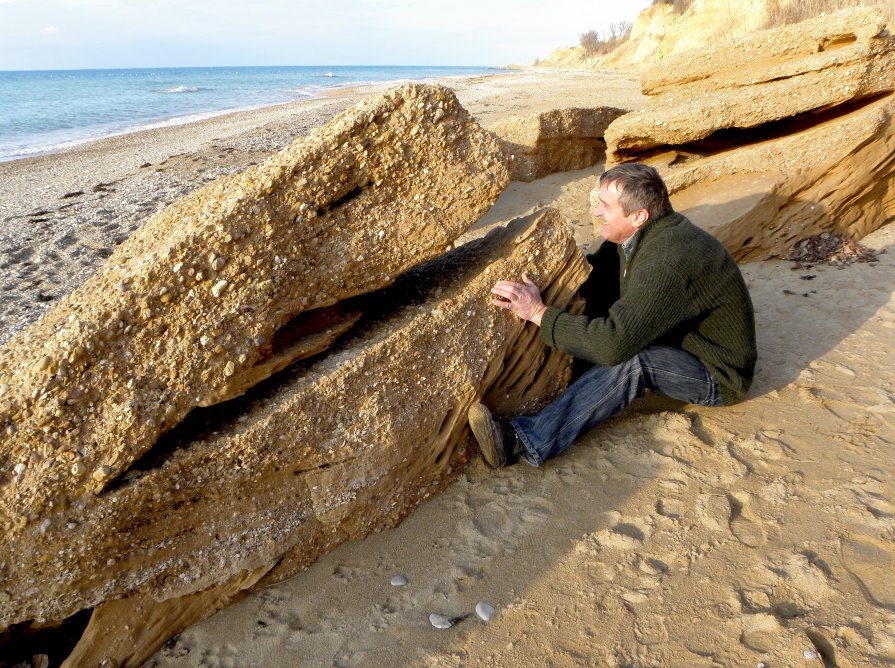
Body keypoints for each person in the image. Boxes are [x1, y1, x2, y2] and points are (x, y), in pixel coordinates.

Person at [468, 162, 757, 468]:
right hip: (678, 338)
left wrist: (537, 312)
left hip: (715, 371)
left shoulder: (665, 264)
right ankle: (571, 391)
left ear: (638, 216)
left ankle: (524, 442)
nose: (596, 212)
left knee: (633, 361)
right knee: (601, 297)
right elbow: (593, 277)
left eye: (605, 206)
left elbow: (612, 346)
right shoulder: (638, 236)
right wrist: (505, 251)